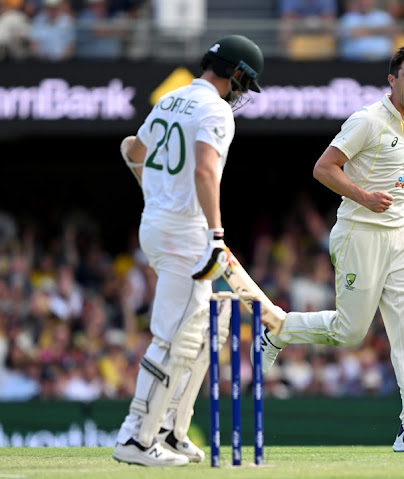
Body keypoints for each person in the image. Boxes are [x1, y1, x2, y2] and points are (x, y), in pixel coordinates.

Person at [257, 45, 404, 453]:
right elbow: (323, 168)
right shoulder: (367, 120)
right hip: (358, 232)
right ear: (392, 81)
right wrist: (364, 197)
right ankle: (279, 329)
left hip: (399, 237)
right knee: (350, 333)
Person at [112, 34, 265, 466]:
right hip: (185, 234)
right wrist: (216, 235)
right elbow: (203, 169)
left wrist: (153, 193)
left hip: (159, 225)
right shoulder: (215, 109)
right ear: (236, 73)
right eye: (244, 82)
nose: (241, 92)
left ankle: (172, 431)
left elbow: (132, 149)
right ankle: (135, 439)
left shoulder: (170, 99)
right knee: (171, 337)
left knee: (202, 336)